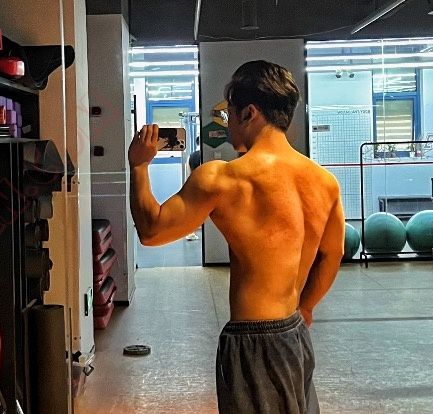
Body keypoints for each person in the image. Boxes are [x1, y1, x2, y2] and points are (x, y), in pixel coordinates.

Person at [128, 60, 344, 414]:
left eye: (229, 113)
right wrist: (305, 306)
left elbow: (151, 232)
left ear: (249, 113)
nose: (226, 123)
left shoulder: (222, 178)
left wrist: (139, 166)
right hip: (295, 334)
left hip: (253, 341)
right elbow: (332, 254)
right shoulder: (324, 182)